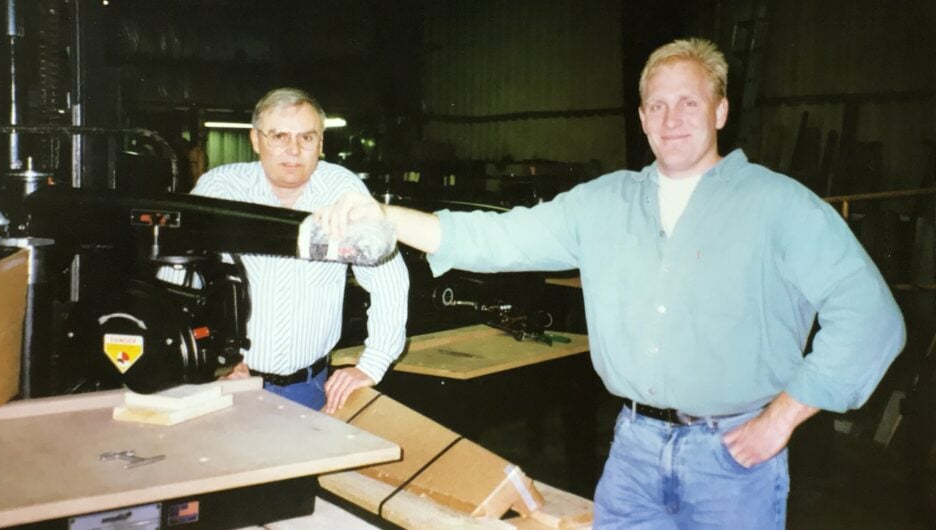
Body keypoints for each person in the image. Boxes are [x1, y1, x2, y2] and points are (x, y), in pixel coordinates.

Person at [316, 38, 905, 528]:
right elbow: (501, 239)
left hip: (732, 458)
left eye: (688, 103)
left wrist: (782, 418)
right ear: (642, 115)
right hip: (633, 449)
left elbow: (870, 317)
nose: (671, 119)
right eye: (656, 105)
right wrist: (389, 218)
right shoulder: (605, 202)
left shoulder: (780, 205)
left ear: (720, 110)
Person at [191, 87, 408, 414]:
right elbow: (178, 280)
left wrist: (373, 363)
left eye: (306, 138)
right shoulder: (219, 188)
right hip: (229, 384)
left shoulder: (342, 191)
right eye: (278, 136)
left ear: (320, 143)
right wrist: (204, 363)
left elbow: (388, 277)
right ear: (255, 140)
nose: (293, 150)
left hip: (311, 388)